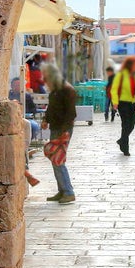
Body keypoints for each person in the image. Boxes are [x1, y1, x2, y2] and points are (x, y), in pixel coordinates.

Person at [42, 63, 78, 203]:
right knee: (55, 159)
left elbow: (71, 114)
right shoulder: (55, 90)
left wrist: (64, 132)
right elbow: (51, 108)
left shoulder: (67, 90)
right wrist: (46, 119)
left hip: (63, 130)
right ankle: (62, 190)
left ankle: (68, 191)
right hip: (55, 128)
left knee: (58, 160)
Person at [107, 55, 135, 155]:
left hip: (132, 102)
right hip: (122, 103)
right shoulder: (120, 75)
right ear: (130, 65)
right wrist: (115, 102)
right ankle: (125, 148)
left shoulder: (134, 75)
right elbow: (114, 89)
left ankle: (121, 140)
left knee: (132, 125)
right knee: (125, 125)